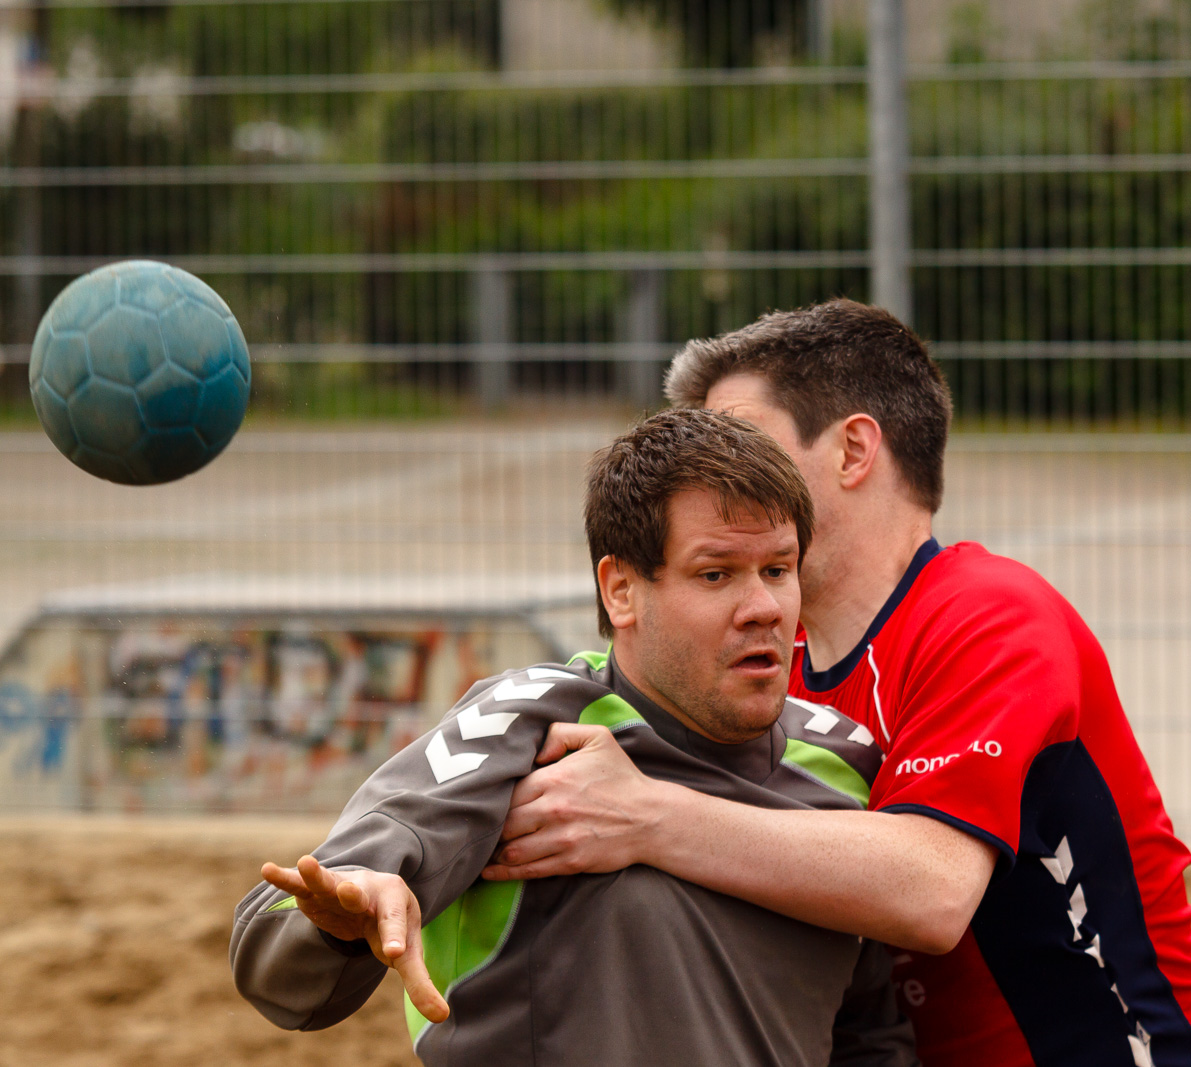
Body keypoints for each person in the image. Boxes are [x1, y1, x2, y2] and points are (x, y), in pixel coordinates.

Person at [484, 300, 1191, 1067]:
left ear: (853, 450)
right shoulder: (769, 654)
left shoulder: (990, 613)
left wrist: (645, 813)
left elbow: (930, 890)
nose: (714, 473)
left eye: (742, 440)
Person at [230, 408, 917, 1067]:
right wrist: (337, 921)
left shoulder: (844, 764)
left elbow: (869, 1036)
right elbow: (283, 950)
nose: (765, 608)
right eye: (716, 574)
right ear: (621, 589)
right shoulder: (530, 724)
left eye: (778, 568)